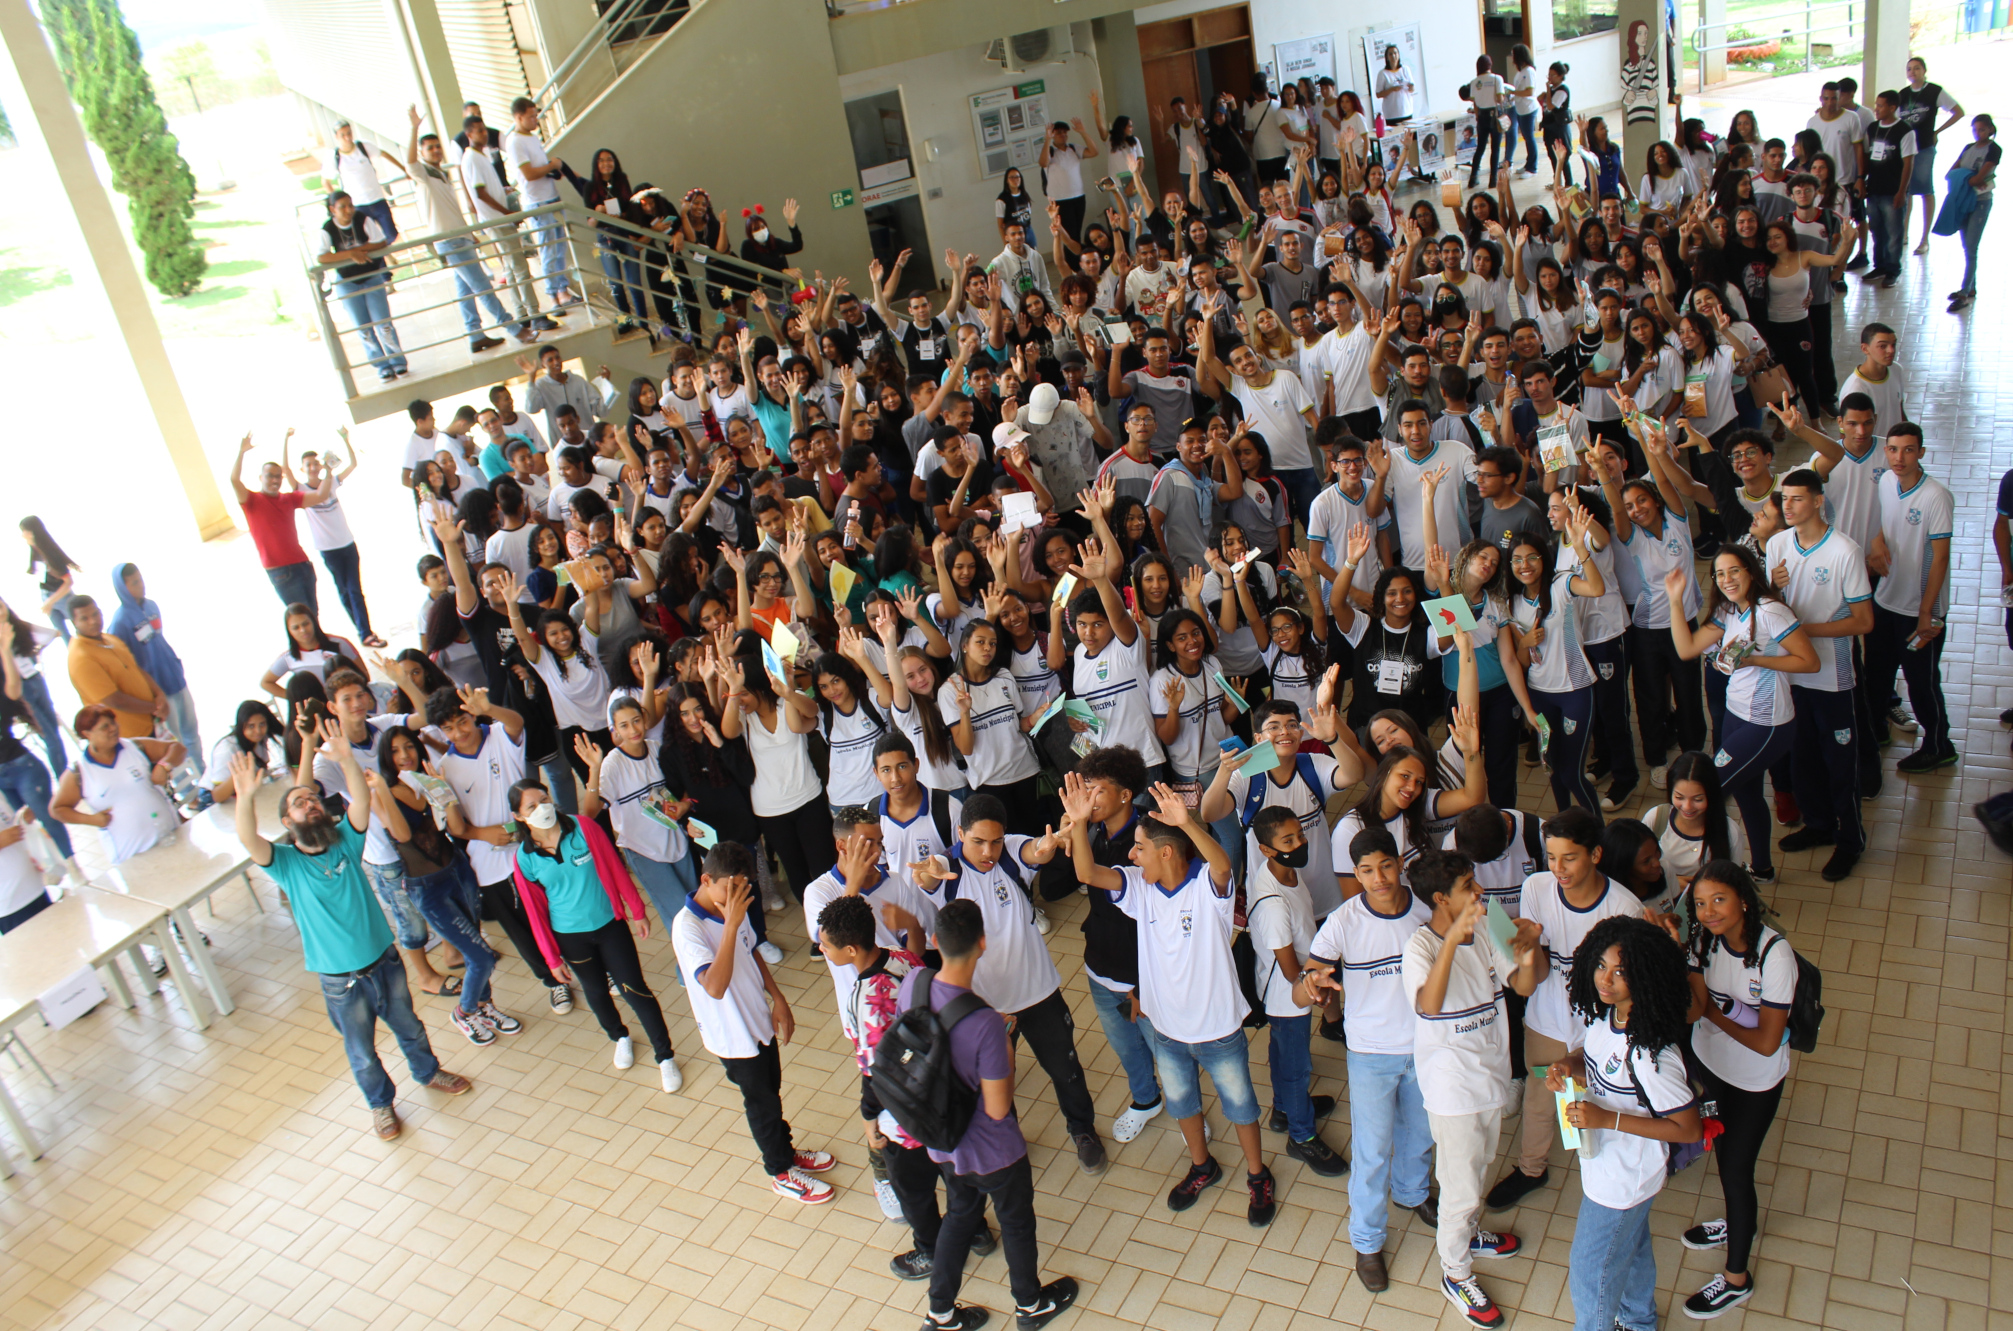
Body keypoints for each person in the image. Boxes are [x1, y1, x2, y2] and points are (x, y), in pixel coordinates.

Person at [227, 729, 471, 1139]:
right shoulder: (283, 862)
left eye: (312, 799)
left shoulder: (343, 841)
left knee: (408, 1025)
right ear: (288, 823)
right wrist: (246, 797)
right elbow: (248, 837)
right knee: (361, 1051)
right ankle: (381, 1107)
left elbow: (360, 802)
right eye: (299, 804)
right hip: (340, 979)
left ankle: (429, 1073)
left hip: (384, 960)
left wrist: (345, 761)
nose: (310, 804)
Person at [1063, 777, 1278, 1226]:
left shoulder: (1207, 886)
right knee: (1183, 1104)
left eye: (1138, 848)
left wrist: (1190, 823)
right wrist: (1080, 824)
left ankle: (1258, 1175)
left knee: (1241, 1107)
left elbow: (1221, 865)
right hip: (1167, 1029)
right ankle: (1203, 1166)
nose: (1130, 855)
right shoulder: (1138, 887)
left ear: (1165, 852)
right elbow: (1086, 874)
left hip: (1218, 1029)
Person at [895, 897, 1080, 1331]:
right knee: (1016, 1222)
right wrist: (1006, 1038)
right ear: (982, 944)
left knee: (960, 1214)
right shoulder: (985, 1024)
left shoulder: (914, 984)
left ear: (936, 941)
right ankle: (1030, 1306)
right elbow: (998, 1109)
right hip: (994, 1152)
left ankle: (940, 1313)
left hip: (943, 1142)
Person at [910, 794, 1109, 1174]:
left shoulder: (1012, 852)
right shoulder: (946, 872)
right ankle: (1007, 1138)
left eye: (995, 841)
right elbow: (925, 877)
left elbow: (1036, 851)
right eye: (978, 841)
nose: (988, 851)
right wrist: (926, 872)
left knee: (1066, 1069)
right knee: (997, 1081)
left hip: (1038, 991)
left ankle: (1082, 1130)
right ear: (959, 833)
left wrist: (1048, 845)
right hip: (984, 1009)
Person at [1404, 848, 1543, 1328]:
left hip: (1491, 1078)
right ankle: (1455, 1272)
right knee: (1460, 1189)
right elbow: (1430, 1007)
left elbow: (1525, 986)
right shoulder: (1419, 947)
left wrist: (1528, 951)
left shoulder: (1488, 925)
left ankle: (1468, 1235)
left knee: (1479, 1170)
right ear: (1442, 899)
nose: (1481, 892)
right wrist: (1451, 943)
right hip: (1453, 1091)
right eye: (1469, 886)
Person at [1296, 826, 1435, 1290]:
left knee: (1420, 1132)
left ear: (1400, 864)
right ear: (1355, 873)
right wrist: (1313, 985)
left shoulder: (1427, 909)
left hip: (1425, 1048)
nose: (1379, 878)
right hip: (1371, 1053)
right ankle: (1368, 1241)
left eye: (1386, 866)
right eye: (1367, 871)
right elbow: (1308, 978)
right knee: (1372, 1152)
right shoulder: (1343, 921)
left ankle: (1413, 1192)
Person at [1548, 917, 1702, 1331]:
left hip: (1625, 1177)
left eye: (1621, 971)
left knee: (1590, 1270)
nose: (1605, 979)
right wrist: (1569, 1064)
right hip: (1607, 1163)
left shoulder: (1652, 1057)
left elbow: (1688, 1129)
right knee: (1630, 1246)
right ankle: (1638, 1321)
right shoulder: (1607, 1016)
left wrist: (1607, 1118)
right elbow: (1593, 1053)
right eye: (1601, 965)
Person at [1487, 808, 1643, 1211]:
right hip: (1547, 1022)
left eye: (1569, 858)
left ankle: (1610, 1173)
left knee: (1606, 1098)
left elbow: (1630, 984)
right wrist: (1527, 946)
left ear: (1595, 854)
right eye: (1551, 857)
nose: (1558, 868)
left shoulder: (1625, 907)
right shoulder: (1537, 888)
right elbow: (1537, 974)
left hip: (1602, 1029)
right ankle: (1531, 1169)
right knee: (1540, 1099)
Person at [1664, 860, 1796, 1317]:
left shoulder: (1775, 955)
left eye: (1718, 900)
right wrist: (1671, 953)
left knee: (1737, 1170)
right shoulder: (1702, 939)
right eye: (1699, 903)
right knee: (1723, 1157)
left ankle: (1737, 1278)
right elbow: (1693, 1009)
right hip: (1710, 1065)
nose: (1708, 912)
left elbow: (1765, 1042)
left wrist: (1715, 1014)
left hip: (1757, 1081)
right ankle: (1737, 1222)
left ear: (1743, 899)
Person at [674, 841, 837, 1201]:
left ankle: (786, 1151)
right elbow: (714, 987)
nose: (735, 896)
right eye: (728, 888)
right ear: (706, 879)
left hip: (758, 1020)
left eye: (742, 889)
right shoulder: (688, 928)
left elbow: (750, 953)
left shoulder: (735, 906)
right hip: (733, 1035)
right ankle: (780, 1172)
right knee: (761, 1103)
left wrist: (778, 999)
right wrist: (731, 923)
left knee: (772, 1092)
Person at [510, 777, 682, 1091]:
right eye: (531, 806)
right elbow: (535, 914)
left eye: (544, 799)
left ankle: (665, 1056)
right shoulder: (525, 858)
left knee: (635, 990)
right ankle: (619, 1036)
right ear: (519, 817)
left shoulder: (583, 828)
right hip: (570, 938)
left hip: (609, 926)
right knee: (597, 993)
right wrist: (551, 959)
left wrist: (637, 909)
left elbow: (615, 868)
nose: (542, 808)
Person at [425, 683, 576, 1015]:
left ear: (472, 715)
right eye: (448, 728)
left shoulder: (497, 733)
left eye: (462, 722)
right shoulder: (446, 767)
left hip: (535, 843)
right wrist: (484, 833)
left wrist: (488, 708)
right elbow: (455, 824)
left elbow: (517, 723)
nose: (458, 732)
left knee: (560, 908)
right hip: (489, 863)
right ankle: (554, 982)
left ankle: (587, 964)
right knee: (520, 930)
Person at [369, 724, 513, 1045]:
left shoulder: (427, 781)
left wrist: (442, 790)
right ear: (385, 758)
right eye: (394, 751)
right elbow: (403, 835)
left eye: (408, 746)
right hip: (426, 888)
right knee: (481, 957)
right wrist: (381, 784)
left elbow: (454, 824)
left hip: (458, 871)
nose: (404, 755)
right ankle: (464, 1012)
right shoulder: (380, 794)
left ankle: (483, 1006)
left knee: (475, 944)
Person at [1765, 469, 1872, 881]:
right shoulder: (1776, 545)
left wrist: (1803, 630)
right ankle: (1819, 824)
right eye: (1784, 499)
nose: (1787, 506)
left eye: (1795, 499)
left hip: (1832, 675)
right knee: (1803, 754)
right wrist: (1772, 590)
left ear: (1817, 501)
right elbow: (1770, 606)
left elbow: (1863, 621)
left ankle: (1851, 839)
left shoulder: (1845, 551)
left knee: (1840, 760)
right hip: (1794, 672)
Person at [1243, 805, 1349, 1175]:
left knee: (1283, 1054)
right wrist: (1321, 977)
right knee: (1296, 1067)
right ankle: (1301, 1136)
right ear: (1266, 850)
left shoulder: (1287, 872)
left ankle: (1285, 1109)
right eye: (1288, 840)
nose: (1300, 843)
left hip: (1290, 990)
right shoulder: (1272, 903)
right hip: (1287, 999)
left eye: (1300, 835)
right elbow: (1291, 972)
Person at [1864, 423, 1955, 772]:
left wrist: (1926, 613)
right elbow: (1888, 525)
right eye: (1893, 449)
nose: (1899, 458)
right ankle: (1876, 731)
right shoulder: (1887, 482)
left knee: (1922, 682)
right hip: (1885, 599)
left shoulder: (1936, 496)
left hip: (1920, 610)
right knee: (1877, 672)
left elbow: (1940, 557)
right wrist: (1876, 543)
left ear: (1921, 453)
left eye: (1908, 450)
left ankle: (1939, 745)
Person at [403, 104, 523, 351]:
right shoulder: (422, 174)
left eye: (438, 147)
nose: (436, 151)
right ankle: (514, 328)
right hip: (450, 242)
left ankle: (475, 335)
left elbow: (452, 210)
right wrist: (415, 127)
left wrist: (469, 234)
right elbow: (410, 160)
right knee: (482, 287)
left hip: (461, 238)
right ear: (423, 152)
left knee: (466, 291)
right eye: (430, 148)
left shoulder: (442, 174)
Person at [283, 432, 386, 648]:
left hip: (347, 543)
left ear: (321, 466)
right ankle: (363, 631)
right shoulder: (300, 490)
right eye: (308, 465)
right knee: (345, 591)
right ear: (303, 469)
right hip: (328, 549)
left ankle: (365, 632)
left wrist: (345, 438)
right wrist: (286, 439)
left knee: (354, 589)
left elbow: (353, 464)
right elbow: (286, 470)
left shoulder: (331, 482)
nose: (313, 468)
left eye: (315, 464)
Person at [107, 563, 201, 787]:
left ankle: (204, 776)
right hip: (158, 692)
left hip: (175, 679)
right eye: (134, 583)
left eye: (140, 579)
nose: (141, 585)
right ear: (123, 588)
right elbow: (127, 663)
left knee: (192, 732)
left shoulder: (151, 606)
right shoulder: (120, 623)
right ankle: (189, 788)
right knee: (173, 743)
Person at [0, 617, 77, 882]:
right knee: (23, 827)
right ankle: (51, 871)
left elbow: (13, 690)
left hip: (20, 764)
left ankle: (73, 868)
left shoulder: (4, 660)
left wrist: (5, 649)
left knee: (46, 816)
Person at [233, 432, 335, 613]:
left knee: (313, 614)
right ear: (261, 478)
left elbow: (322, 495)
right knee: (300, 616)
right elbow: (234, 480)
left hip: (303, 565)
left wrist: (328, 472)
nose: (275, 480)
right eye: (270, 476)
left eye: (278, 476)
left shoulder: (290, 499)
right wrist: (241, 453)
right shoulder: (251, 501)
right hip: (280, 572)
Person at [316, 190, 408, 382]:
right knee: (364, 328)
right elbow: (322, 256)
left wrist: (358, 250)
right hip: (348, 283)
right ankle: (382, 366)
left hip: (371, 276)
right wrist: (350, 255)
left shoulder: (362, 219)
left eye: (351, 205)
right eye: (343, 207)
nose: (349, 210)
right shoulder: (327, 229)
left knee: (384, 324)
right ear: (333, 210)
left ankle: (398, 362)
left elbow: (380, 241)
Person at [501, 96, 579, 313]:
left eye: (536, 115)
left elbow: (539, 168)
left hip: (551, 197)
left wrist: (552, 170)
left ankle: (562, 290)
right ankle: (552, 295)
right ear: (518, 117)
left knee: (560, 246)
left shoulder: (531, 137)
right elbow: (528, 173)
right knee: (548, 249)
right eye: (531, 116)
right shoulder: (515, 141)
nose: (536, 119)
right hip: (537, 202)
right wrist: (552, 165)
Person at [1860, 91, 1917, 287]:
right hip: (1874, 189)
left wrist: (1902, 192)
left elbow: (1908, 163)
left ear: (1892, 108)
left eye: (1881, 106)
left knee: (1893, 232)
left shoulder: (1904, 130)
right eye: (1876, 105)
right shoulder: (1873, 128)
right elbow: (1867, 156)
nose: (1876, 109)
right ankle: (1880, 265)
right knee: (1877, 230)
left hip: (1892, 190)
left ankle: (1893, 269)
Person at [1944, 114, 1997, 310]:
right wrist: (1967, 177)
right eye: (1975, 130)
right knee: (1967, 245)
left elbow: (1978, 178)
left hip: (1980, 201)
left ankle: (1964, 293)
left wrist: (1965, 177)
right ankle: (1971, 287)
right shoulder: (1968, 148)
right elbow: (1951, 173)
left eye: (1982, 129)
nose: (1978, 133)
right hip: (1964, 199)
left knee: (1972, 247)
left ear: (1991, 130)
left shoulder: (1993, 149)